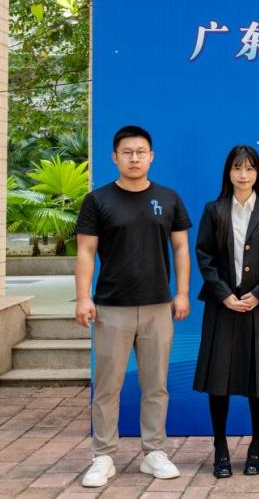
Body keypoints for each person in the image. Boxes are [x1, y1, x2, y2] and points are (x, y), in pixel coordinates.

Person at [74, 125, 192, 488]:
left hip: (158, 306)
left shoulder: (168, 198)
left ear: (151, 156)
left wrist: (182, 293)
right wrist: (83, 296)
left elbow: (181, 248)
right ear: (115, 157)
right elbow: (85, 251)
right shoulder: (98, 200)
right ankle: (103, 456)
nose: (134, 158)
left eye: (141, 152)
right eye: (127, 152)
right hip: (112, 307)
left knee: (156, 385)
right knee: (107, 386)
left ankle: (154, 452)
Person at [192, 145, 259, 478]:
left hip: (257, 307)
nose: (243, 175)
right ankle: (220, 447)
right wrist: (224, 295)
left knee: (258, 379)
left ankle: (257, 445)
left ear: (258, 174)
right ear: (228, 173)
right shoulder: (214, 210)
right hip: (222, 306)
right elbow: (204, 256)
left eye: (250, 169)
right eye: (237, 168)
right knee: (219, 379)